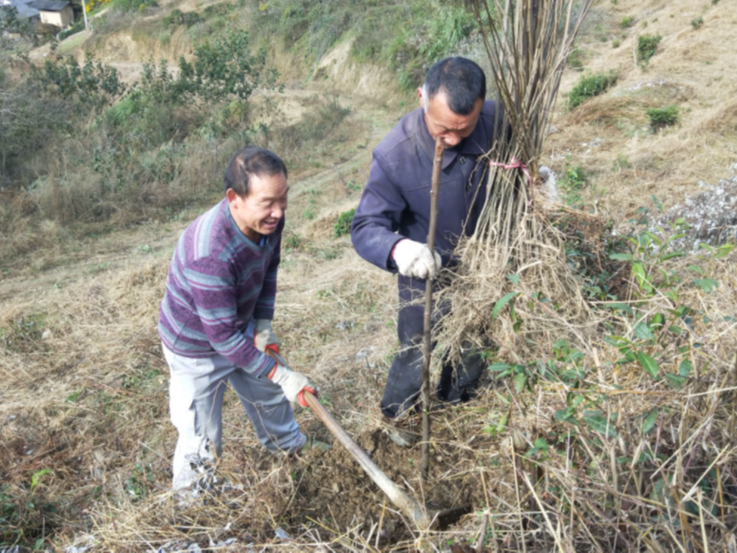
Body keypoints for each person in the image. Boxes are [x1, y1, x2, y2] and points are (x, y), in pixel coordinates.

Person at [351, 57, 504, 446]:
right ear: (421, 98)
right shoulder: (395, 155)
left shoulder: (499, 122)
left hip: (484, 267)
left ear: (481, 106)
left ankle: (460, 403)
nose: (452, 139)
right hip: (425, 268)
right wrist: (399, 248)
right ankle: (398, 417)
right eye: (442, 129)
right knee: (417, 345)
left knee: (474, 339)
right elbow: (365, 227)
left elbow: (522, 170)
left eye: (463, 129)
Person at [158, 145, 328, 494]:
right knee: (202, 434)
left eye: (284, 199)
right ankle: (194, 499)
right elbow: (220, 338)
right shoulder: (210, 252)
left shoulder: (268, 222)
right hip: (196, 347)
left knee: (268, 395)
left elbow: (269, 272)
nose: (279, 212)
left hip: (238, 324)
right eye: (268, 202)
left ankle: (290, 449)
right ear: (234, 197)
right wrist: (282, 373)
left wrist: (263, 326)